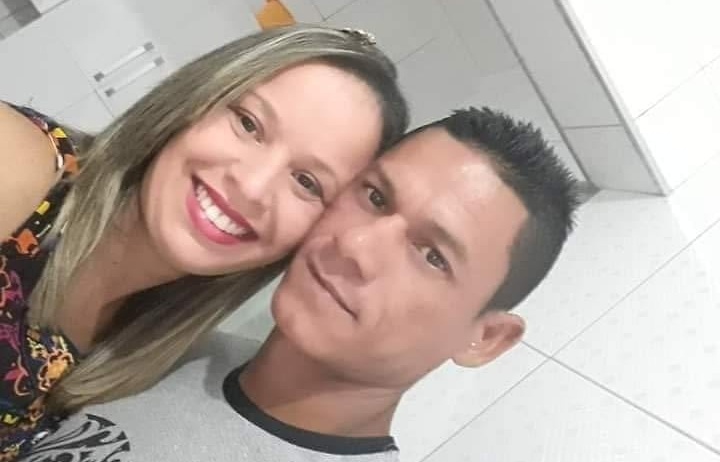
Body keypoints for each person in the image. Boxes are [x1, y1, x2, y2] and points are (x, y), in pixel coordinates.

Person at [28, 107, 579, 462]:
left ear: (486, 338)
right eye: (375, 197)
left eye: (432, 255)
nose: (356, 246)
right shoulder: (162, 340)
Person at [0, 24, 408, 459]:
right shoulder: (17, 164)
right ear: (192, 102)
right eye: (248, 124)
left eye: (307, 182)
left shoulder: (155, 352)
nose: (252, 186)